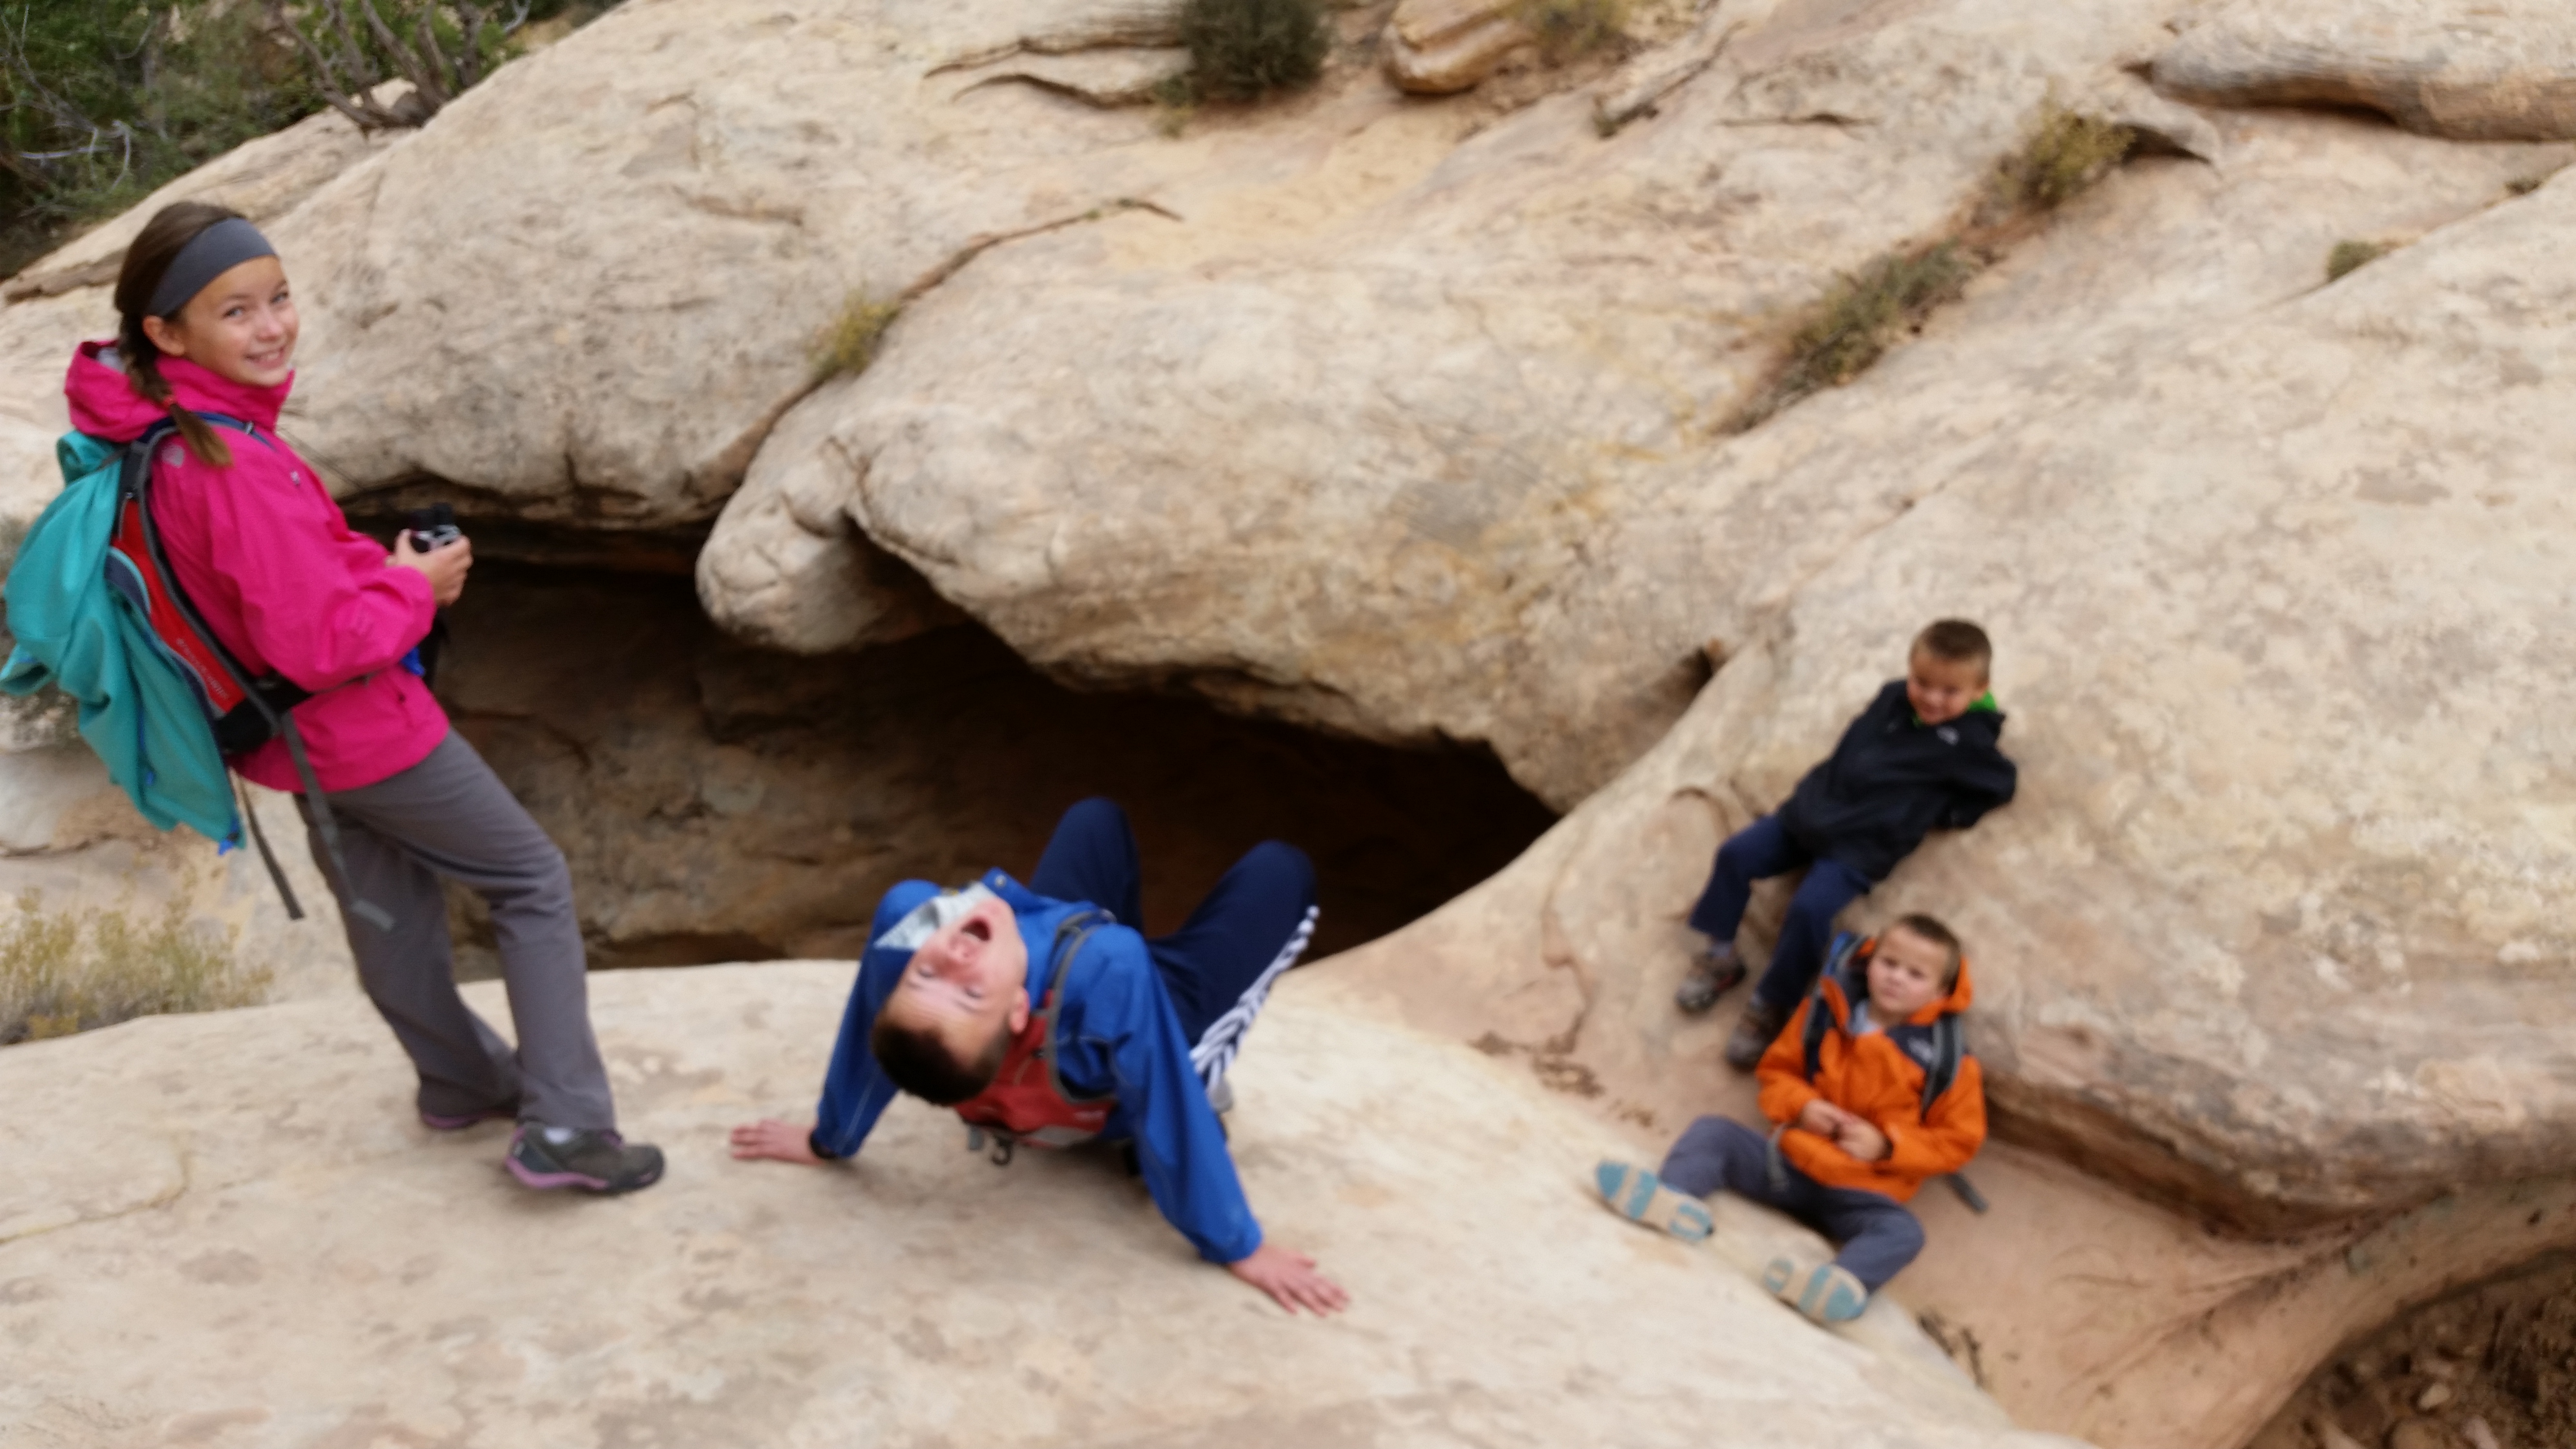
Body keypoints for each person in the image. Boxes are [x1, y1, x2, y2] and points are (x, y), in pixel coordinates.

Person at [80, 201, 661, 1193]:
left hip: (284, 741)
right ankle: (565, 1128)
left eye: (280, 300)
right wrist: (413, 589)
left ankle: (459, 1081)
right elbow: (317, 641)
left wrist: (373, 570)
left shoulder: (169, 441)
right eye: (236, 311)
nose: (271, 328)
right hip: (360, 729)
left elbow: (268, 591)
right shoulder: (227, 464)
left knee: (388, 908)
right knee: (531, 882)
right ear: (166, 333)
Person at [730, 798, 1350, 1317]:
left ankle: (1111, 1024)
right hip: (1105, 1077)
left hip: (1073, 1007)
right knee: (1283, 870)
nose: (952, 961)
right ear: (1018, 1013)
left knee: (1095, 821)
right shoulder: (1109, 963)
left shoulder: (913, 926)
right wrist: (1236, 1244)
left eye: (925, 976)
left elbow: (874, 1025)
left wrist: (828, 1139)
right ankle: (1196, 1066)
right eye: (969, 993)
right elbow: (1166, 1099)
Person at [1596, 915, 1985, 1324]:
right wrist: (1802, 1106)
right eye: (1889, 963)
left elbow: (1958, 1142)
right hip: (1787, 1164)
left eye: (1916, 974)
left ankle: (1833, 1286)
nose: (1897, 979)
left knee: (1904, 1233)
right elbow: (1776, 1072)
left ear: (1941, 991)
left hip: (1860, 1194)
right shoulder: (1826, 1009)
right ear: (1870, 961)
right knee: (1714, 1133)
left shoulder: (1949, 1061)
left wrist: (1888, 1146)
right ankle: (1672, 1198)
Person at [1674, 619, 2016, 1069]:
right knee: (1736, 855)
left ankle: (1771, 1002)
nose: (1932, 698)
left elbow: (2000, 784)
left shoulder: (1968, 743)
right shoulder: (1894, 697)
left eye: (1949, 691)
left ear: (1979, 690)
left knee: (1809, 909)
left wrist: (1943, 815)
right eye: (1923, 682)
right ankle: (1721, 956)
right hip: (1811, 816)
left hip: (1860, 847)